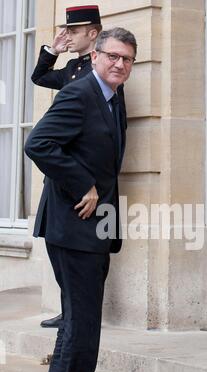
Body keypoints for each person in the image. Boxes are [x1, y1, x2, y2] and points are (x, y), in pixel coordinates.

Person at [25, 27, 137, 372]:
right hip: (74, 226)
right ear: (95, 56)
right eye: (112, 56)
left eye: (127, 59)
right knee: (83, 324)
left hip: (92, 227)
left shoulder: (111, 96)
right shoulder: (79, 94)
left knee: (77, 321)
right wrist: (83, 184)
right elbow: (39, 143)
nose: (119, 64)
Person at [31, 5, 127, 329]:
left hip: (93, 188)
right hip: (67, 183)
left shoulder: (105, 72)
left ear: (93, 33)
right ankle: (70, 313)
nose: (67, 36)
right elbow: (40, 77)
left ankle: (75, 315)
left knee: (89, 263)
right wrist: (52, 51)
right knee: (64, 259)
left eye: (73, 31)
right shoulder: (73, 69)